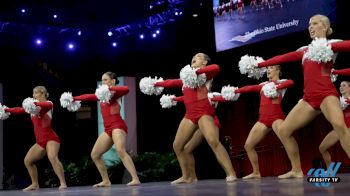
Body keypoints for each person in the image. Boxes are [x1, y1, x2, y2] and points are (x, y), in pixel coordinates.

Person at [253, 14, 350, 178]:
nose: (310, 27)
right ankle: (297, 170)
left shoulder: (332, 44)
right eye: (309, 25)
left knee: (340, 127)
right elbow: (282, 57)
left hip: (326, 94)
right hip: (308, 99)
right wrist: (260, 64)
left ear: (325, 27)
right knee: (284, 130)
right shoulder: (304, 50)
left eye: (315, 23)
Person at [140, 53, 237, 184]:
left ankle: (231, 173)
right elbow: (172, 82)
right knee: (177, 145)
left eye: (199, 56)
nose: (194, 57)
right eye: (194, 56)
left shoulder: (205, 75)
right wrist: (156, 83)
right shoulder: (187, 78)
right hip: (190, 115)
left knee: (213, 141)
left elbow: (216, 67)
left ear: (204, 62)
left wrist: (198, 72)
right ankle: (187, 176)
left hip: (204, 112)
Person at [60, 72, 140, 186]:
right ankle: (106, 180)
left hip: (118, 125)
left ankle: (135, 178)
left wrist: (111, 89)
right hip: (108, 129)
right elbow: (88, 96)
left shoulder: (115, 93)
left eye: (106, 80)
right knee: (95, 155)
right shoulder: (101, 95)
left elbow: (126, 89)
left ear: (113, 81)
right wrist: (73, 98)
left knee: (120, 150)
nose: (103, 82)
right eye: (102, 80)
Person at [218, 65, 294, 179]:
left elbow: (291, 82)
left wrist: (276, 86)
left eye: (271, 67)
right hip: (263, 120)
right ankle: (256, 172)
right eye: (267, 68)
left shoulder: (282, 82)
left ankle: (296, 169)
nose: (268, 69)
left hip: (276, 117)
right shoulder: (263, 85)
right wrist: (236, 90)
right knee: (248, 145)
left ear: (278, 70)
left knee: (287, 141)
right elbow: (249, 88)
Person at [0, 86, 66, 191]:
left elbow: (46, 105)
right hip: (40, 142)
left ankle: (63, 182)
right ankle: (35, 184)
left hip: (51, 138)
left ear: (43, 94)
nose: (33, 95)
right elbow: (19, 110)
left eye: (36, 93)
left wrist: (34, 104)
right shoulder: (32, 109)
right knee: (28, 161)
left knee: (52, 156)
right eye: (33, 93)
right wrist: (6, 109)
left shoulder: (48, 104)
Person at [319, 68, 350, 168]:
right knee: (322, 148)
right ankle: (330, 169)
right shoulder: (337, 100)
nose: (341, 87)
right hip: (339, 129)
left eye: (344, 85)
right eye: (340, 85)